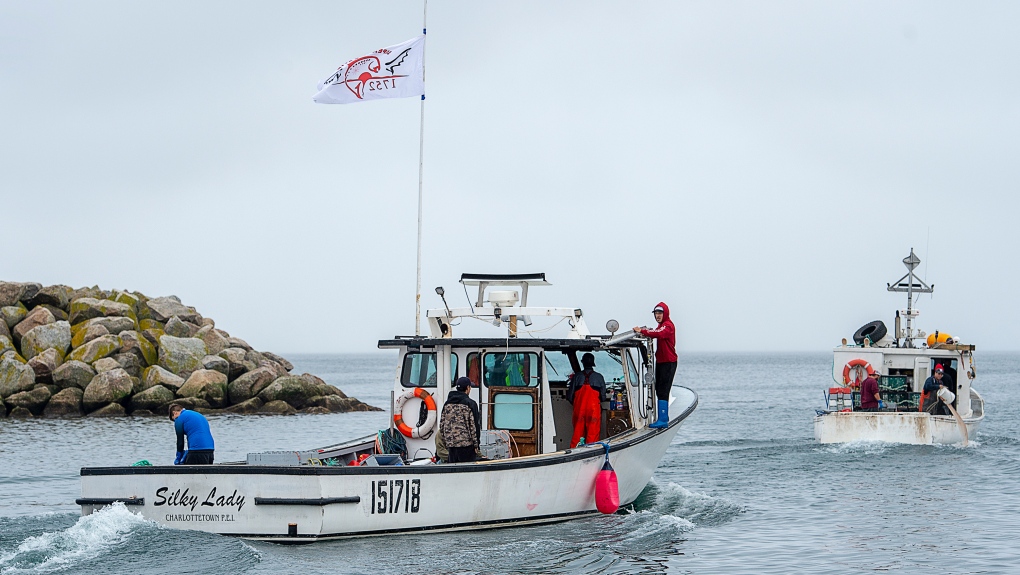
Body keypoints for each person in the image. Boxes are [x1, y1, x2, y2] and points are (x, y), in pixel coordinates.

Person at [633, 302, 677, 429]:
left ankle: (663, 419)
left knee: (663, 390)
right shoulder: (661, 326)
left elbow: (659, 334)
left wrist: (642, 331)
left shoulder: (668, 326)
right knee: (658, 388)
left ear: (665, 314)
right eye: (656, 313)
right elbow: (656, 331)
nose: (657, 316)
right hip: (662, 361)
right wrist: (646, 332)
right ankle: (662, 416)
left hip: (668, 362)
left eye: (660, 313)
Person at [567, 352, 608, 448]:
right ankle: (591, 453)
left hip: (579, 411)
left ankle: (575, 454)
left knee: (577, 435)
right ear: (593, 363)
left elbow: (569, 396)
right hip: (594, 412)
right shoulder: (599, 377)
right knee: (592, 436)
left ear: (582, 363)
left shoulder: (577, 377)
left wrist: (577, 404)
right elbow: (603, 397)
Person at [439, 377, 481, 463]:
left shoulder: (447, 404)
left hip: (451, 446)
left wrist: (446, 442)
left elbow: (442, 425)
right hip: (466, 446)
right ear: (468, 388)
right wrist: (476, 445)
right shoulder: (470, 404)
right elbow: (474, 426)